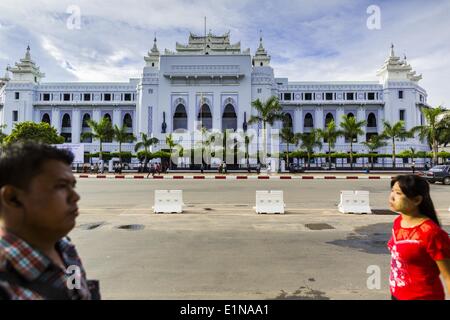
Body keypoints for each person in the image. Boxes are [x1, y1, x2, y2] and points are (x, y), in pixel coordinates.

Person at [0, 142, 100, 300]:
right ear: (13, 198)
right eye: (61, 186)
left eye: (73, 186)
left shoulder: (65, 248)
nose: (75, 197)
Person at [388, 175, 450, 300]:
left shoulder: (432, 233)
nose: (392, 197)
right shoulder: (398, 222)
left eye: (398, 193)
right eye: (392, 191)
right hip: (397, 295)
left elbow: (448, 276)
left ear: (416, 200)